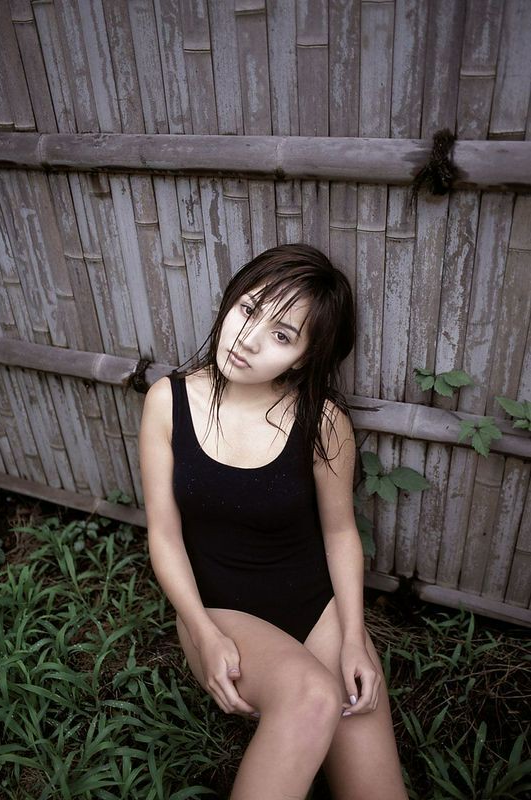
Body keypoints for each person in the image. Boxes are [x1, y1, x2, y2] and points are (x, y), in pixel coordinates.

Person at [139, 243, 408, 799]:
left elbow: (339, 532)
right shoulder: (168, 402)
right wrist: (203, 633)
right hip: (220, 609)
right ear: (231, 300)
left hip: (315, 607)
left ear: (303, 358)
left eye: (282, 335)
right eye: (248, 309)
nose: (248, 339)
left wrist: (353, 639)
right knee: (311, 695)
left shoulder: (322, 420)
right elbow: (164, 535)